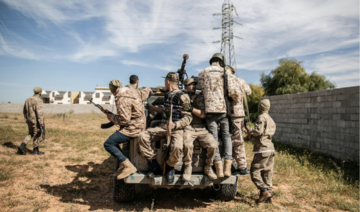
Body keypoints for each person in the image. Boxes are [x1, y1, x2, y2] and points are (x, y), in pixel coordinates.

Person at [137, 72, 192, 183]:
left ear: (167, 81)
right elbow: (165, 111)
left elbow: (188, 117)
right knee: (142, 136)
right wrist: (152, 108)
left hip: (176, 129)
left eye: (164, 82)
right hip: (162, 127)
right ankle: (154, 163)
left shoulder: (183, 96)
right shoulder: (167, 95)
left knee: (177, 146)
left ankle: (170, 167)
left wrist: (175, 125)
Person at [198, 53, 241, 178]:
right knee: (227, 136)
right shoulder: (225, 72)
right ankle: (227, 166)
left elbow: (202, 89)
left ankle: (218, 169)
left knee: (214, 139)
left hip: (209, 111)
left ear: (211, 61)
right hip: (223, 110)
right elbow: (233, 92)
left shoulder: (202, 73)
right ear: (221, 61)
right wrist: (234, 101)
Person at [104, 79, 152, 180]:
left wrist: (111, 117)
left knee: (108, 143)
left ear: (113, 91)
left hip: (133, 128)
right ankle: (123, 163)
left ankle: (128, 166)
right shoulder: (134, 91)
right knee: (114, 140)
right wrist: (149, 89)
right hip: (141, 124)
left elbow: (124, 120)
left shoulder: (121, 98)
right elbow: (146, 92)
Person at [181, 78, 218, 181]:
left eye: (194, 84)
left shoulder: (200, 97)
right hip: (188, 127)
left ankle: (208, 167)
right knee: (187, 144)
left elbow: (203, 114)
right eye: (190, 84)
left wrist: (191, 109)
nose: (193, 86)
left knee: (213, 145)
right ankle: (188, 167)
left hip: (201, 128)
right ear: (185, 86)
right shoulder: (181, 96)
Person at [249, 99, 276, 204]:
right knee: (267, 173)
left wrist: (251, 131)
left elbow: (258, 131)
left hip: (262, 149)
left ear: (260, 108)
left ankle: (264, 191)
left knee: (254, 171)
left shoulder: (261, 117)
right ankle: (270, 197)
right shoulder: (271, 119)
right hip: (270, 149)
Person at [226, 66, 252, 175]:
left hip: (228, 114)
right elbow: (249, 92)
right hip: (239, 114)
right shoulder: (240, 80)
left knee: (234, 140)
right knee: (237, 139)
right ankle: (240, 166)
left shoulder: (225, 80)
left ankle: (241, 166)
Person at [18, 87, 45, 155]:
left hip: (29, 119)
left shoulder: (28, 99)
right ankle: (35, 150)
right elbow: (39, 112)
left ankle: (23, 145)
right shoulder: (38, 100)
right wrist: (41, 122)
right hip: (35, 120)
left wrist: (26, 119)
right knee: (37, 133)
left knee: (31, 133)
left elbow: (24, 110)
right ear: (40, 92)